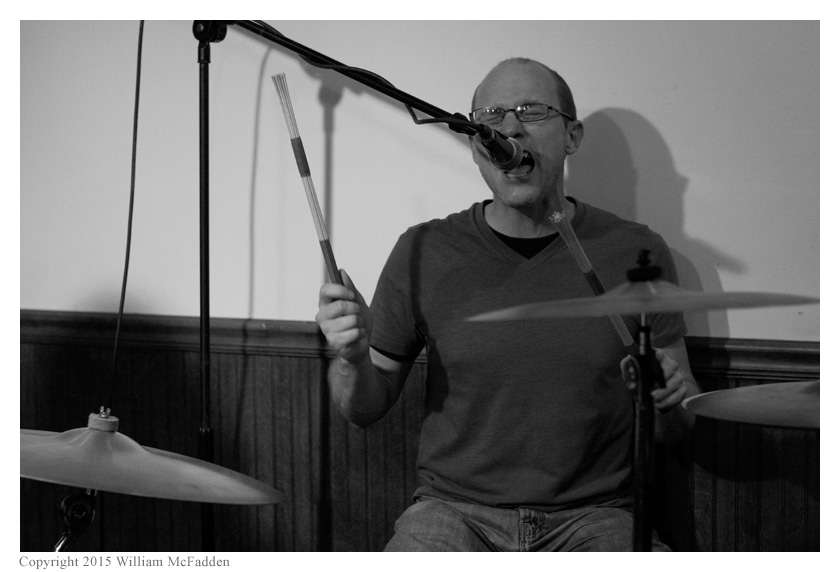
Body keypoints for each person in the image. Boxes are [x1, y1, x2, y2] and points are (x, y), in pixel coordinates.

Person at [316, 57, 700, 551]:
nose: (510, 128)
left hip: (596, 517)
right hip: (453, 513)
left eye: (532, 111)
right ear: (476, 144)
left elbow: (682, 422)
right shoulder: (423, 250)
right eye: (491, 116)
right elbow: (363, 409)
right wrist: (350, 359)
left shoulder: (636, 253)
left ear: (572, 136)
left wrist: (667, 402)